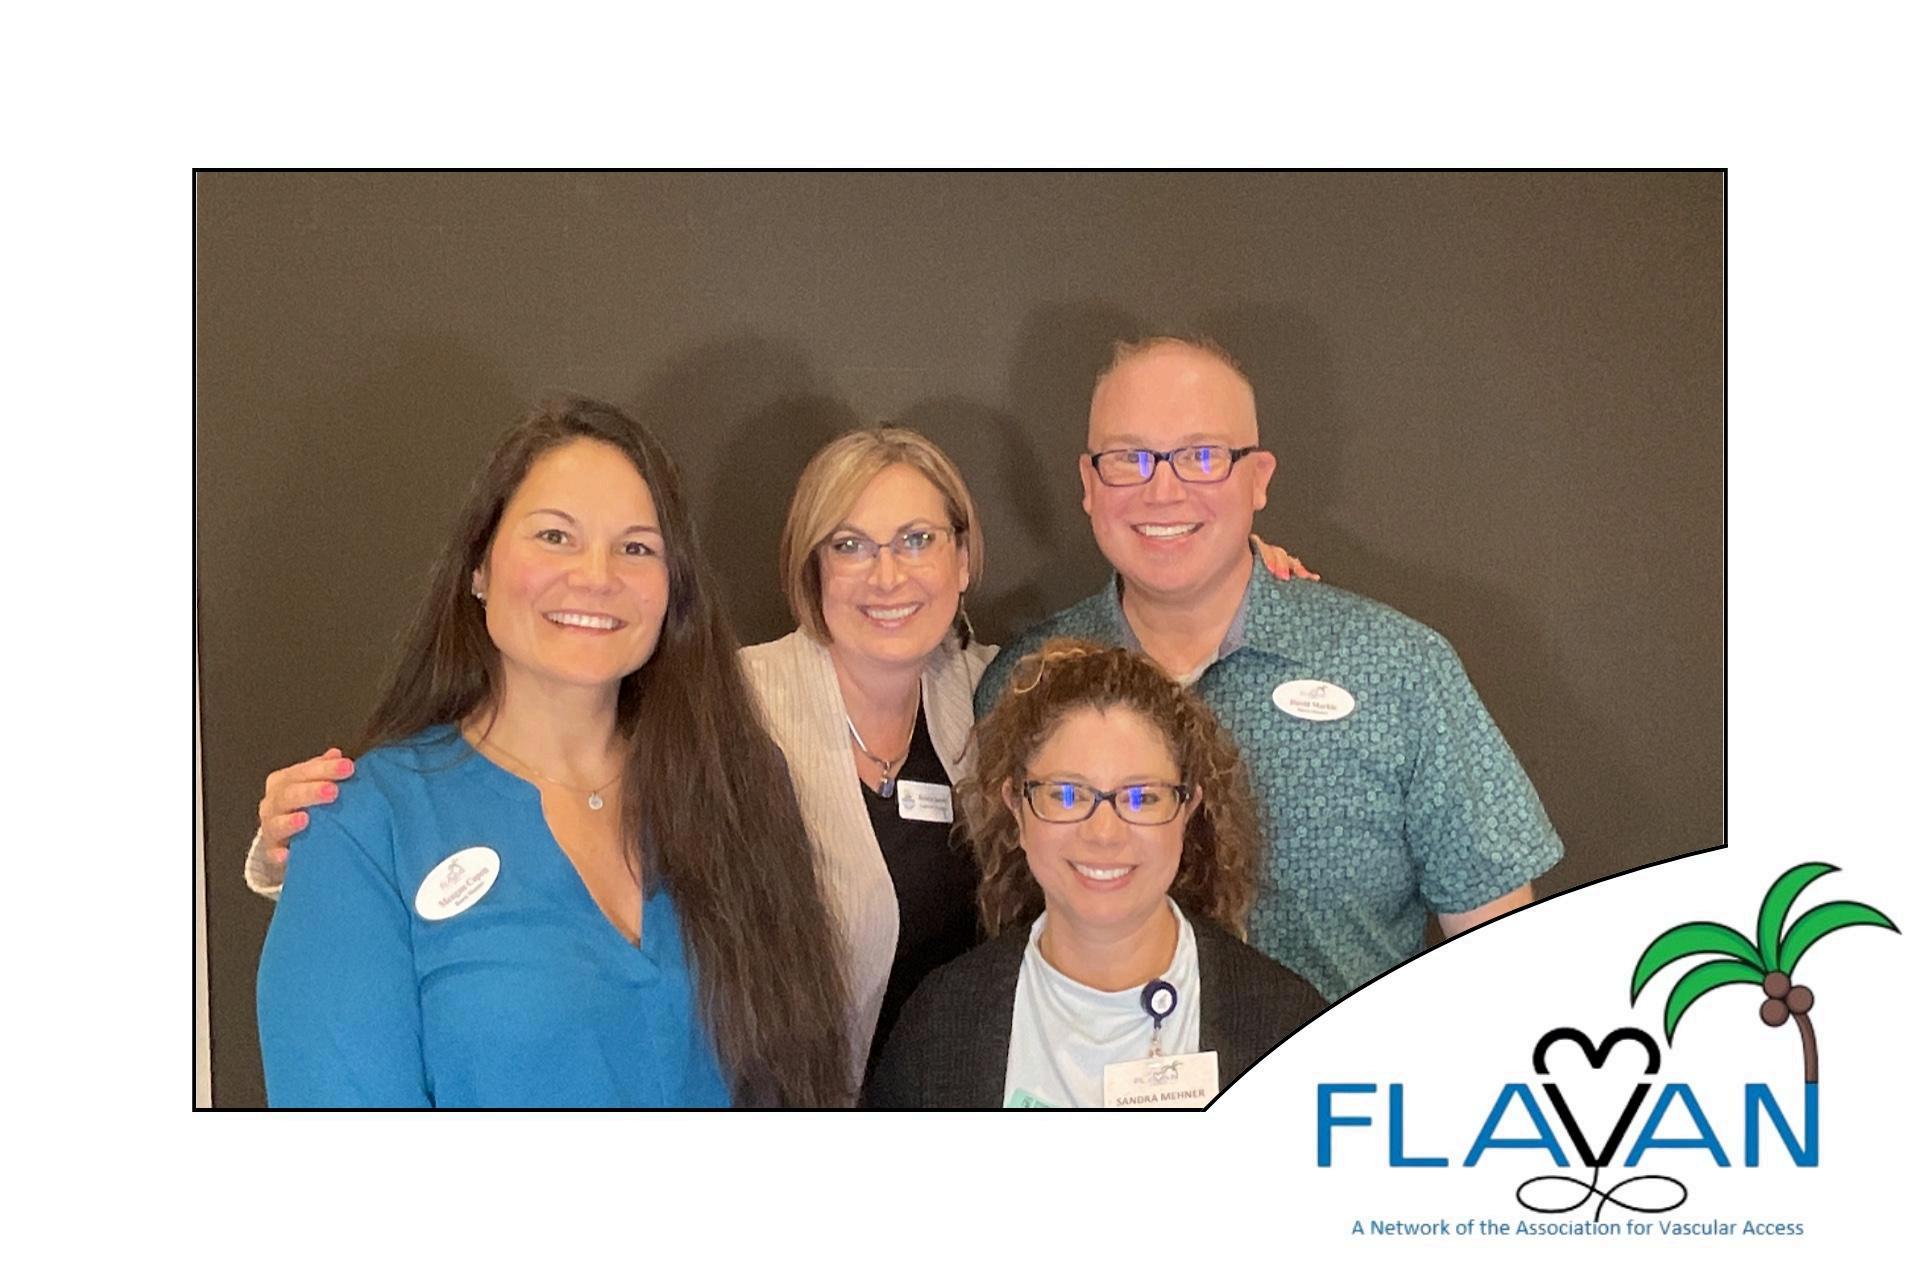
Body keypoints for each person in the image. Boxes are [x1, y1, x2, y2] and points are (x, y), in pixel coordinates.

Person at [243, 425, 1316, 1084]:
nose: (887, 573)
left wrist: (1230, 579)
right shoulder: (730, 722)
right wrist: (312, 847)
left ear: (963, 557)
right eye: (850, 543)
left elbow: (1128, 711)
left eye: (918, 539)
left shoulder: (998, 693)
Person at [255, 396, 851, 1107]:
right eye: (555, 536)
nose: (597, 575)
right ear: (479, 567)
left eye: (637, 547)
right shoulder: (361, 826)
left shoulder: (738, 786)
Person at [976, 336, 1564, 1002]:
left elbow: (1502, 958)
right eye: (1128, 459)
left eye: (1202, 457)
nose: (1162, 490)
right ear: (1088, 484)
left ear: (1258, 478)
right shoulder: (1022, 685)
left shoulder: (1399, 670)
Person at [867, 640, 1326, 1108]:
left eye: (1141, 798)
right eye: (1067, 795)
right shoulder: (941, 1025)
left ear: (1187, 811)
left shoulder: (1287, 1027)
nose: (1104, 833)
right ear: (1017, 810)